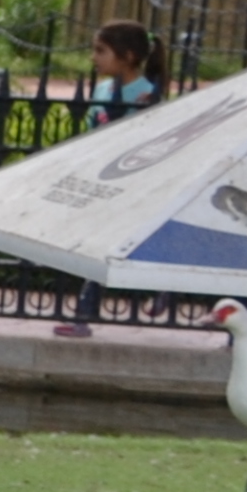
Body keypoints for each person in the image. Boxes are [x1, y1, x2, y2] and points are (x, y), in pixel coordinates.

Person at [56, 20, 167, 337]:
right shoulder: (104, 89)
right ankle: (87, 312)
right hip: (100, 176)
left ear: (128, 56)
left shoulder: (148, 94)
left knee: (113, 244)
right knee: (99, 244)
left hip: (132, 182)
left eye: (101, 51)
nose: (94, 58)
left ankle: (86, 314)